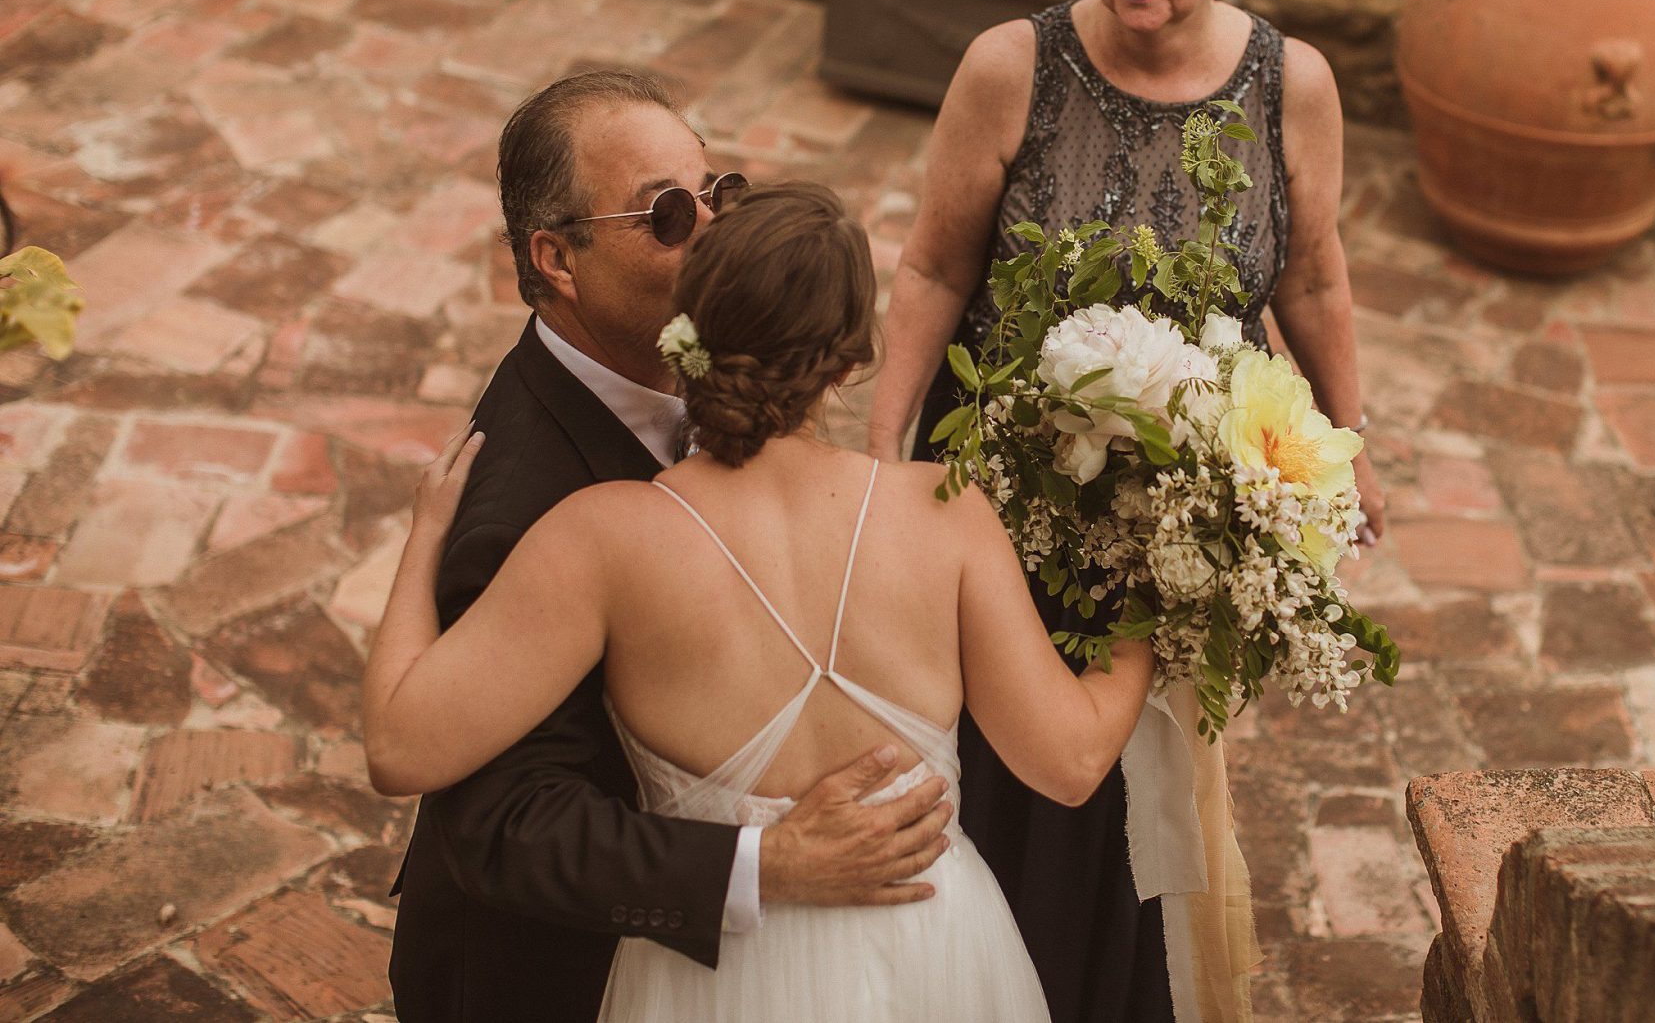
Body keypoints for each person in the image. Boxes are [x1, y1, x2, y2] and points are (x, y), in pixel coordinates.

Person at [365, 181, 1156, 1022]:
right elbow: (1069, 763)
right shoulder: (942, 513)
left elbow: (399, 747)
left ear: (686, 329)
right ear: (852, 360)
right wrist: (1149, 616)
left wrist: (425, 539)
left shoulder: (600, 538)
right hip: (932, 947)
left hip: (712, 981)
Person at [864, 0, 1389, 1023]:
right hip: (1004, 475)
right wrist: (885, 445)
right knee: (1002, 759)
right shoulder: (1013, 66)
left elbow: (1310, 277)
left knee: (1135, 772)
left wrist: (1348, 444)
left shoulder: (1290, 86)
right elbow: (936, 267)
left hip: (1181, 494)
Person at [384, 72, 955, 1023]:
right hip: (555, 982)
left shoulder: (705, 370)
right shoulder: (517, 503)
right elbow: (503, 825)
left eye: (715, 194)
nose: (716, 233)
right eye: (667, 215)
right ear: (556, 260)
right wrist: (766, 862)